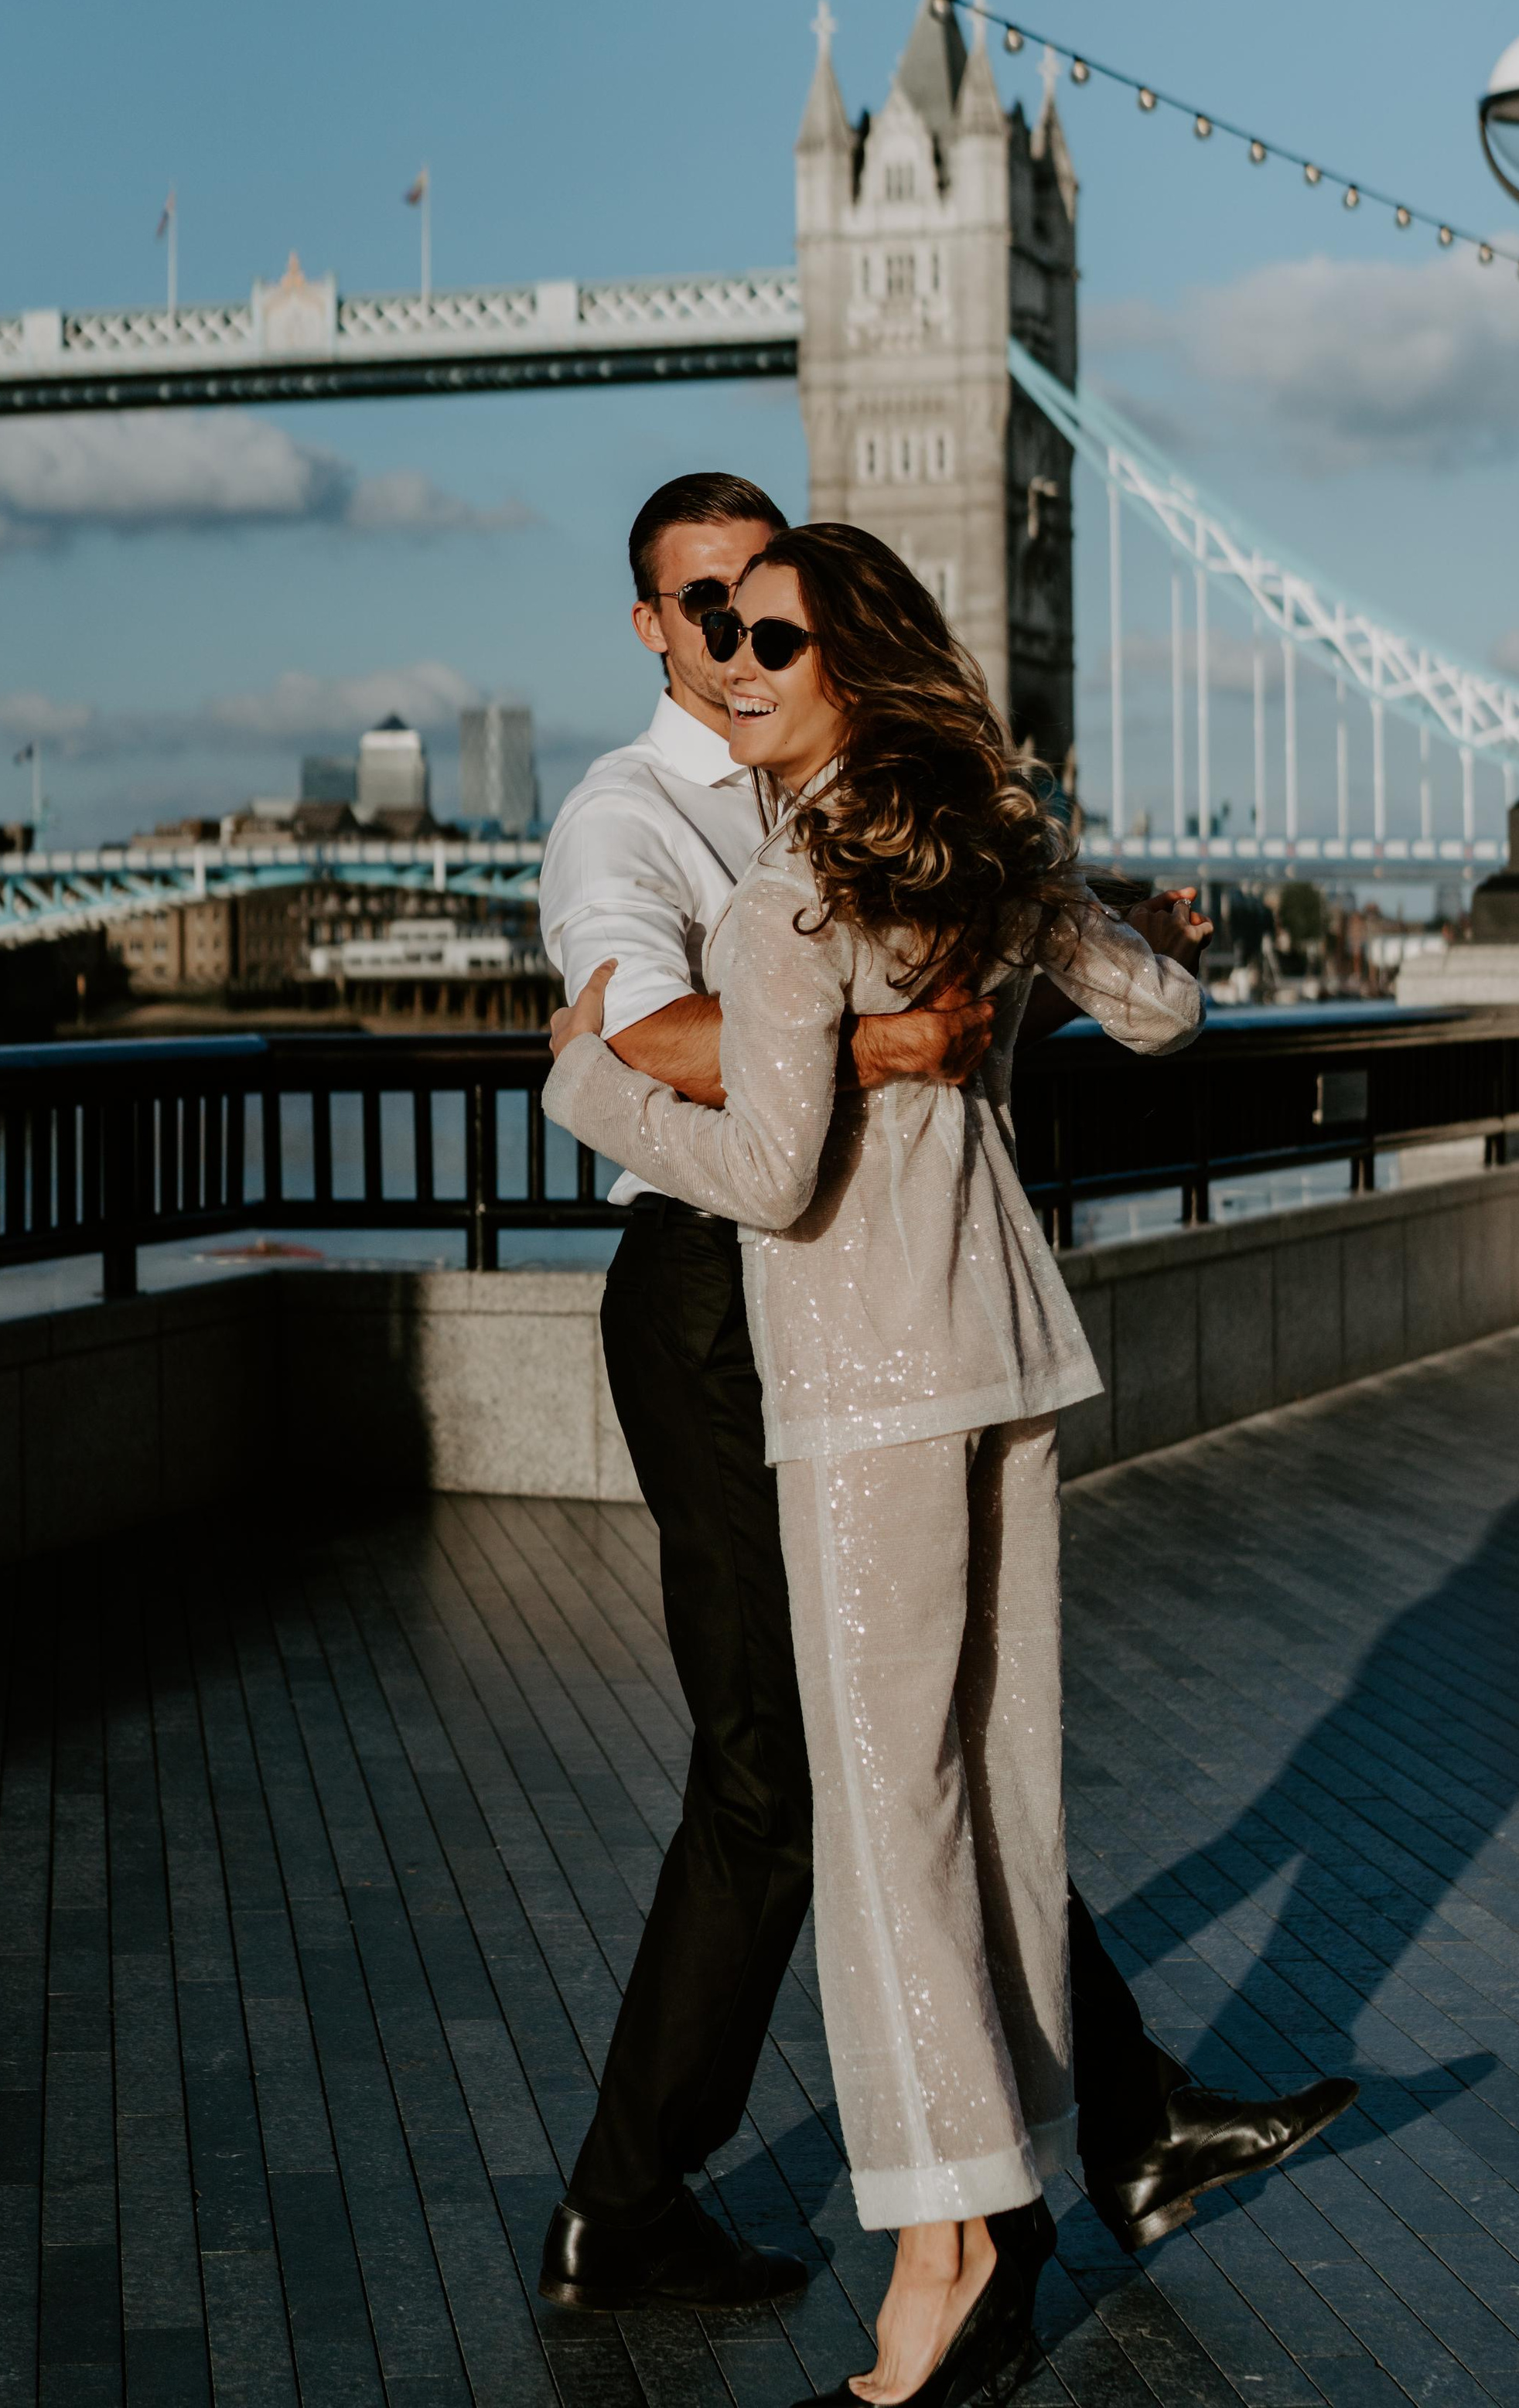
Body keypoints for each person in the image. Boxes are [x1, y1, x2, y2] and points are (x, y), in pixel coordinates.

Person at [538, 506, 1353, 2404]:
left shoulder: (787, 888)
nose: (734, 665)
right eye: (717, 632)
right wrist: (1040, 886)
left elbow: (761, 1166)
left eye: (772, 641)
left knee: (890, 1823)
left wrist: (579, 1076)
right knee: (993, 1794)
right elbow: (1165, 1005)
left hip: (860, 1381)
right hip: (1006, 1357)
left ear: (853, 663)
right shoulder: (979, 844)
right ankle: (1048, 2176)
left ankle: (948, 2254)